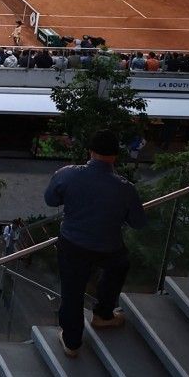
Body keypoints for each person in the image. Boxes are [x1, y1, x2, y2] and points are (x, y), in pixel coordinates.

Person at [43, 130, 146, 358]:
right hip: (109, 246)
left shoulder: (68, 175)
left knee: (72, 292)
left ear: (90, 151)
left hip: (72, 243)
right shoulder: (125, 187)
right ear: (115, 157)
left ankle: (72, 342)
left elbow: (50, 199)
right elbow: (138, 222)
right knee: (119, 266)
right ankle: (103, 314)